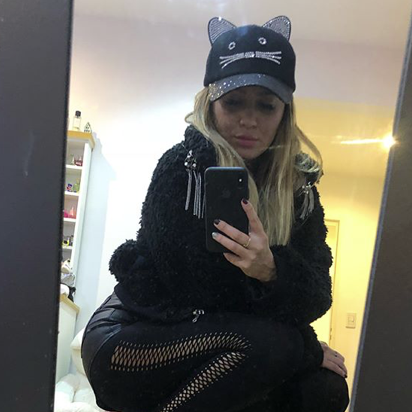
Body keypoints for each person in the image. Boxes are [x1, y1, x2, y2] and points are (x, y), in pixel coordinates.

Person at [81, 16, 350, 412]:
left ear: (284, 112)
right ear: (211, 103)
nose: (249, 120)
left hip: (235, 349)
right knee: (277, 346)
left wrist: (272, 269)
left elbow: (318, 294)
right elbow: (191, 286)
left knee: (325, 390)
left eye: (266, 105)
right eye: (233, 102)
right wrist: (302, 345)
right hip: (136, 338)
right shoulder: (182, 168)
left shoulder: (300, 190)